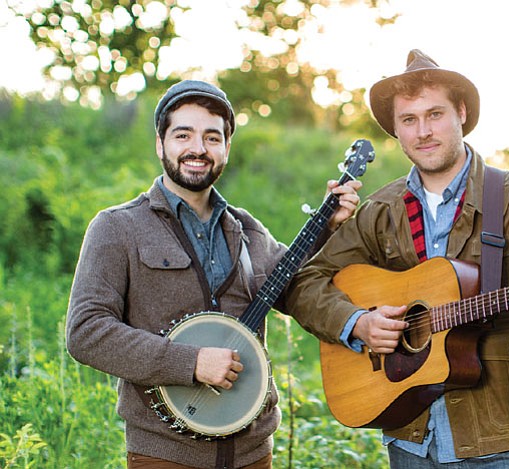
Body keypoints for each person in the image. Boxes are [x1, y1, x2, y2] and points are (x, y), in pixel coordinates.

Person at [285, 50, 509, 468]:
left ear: (462, 113)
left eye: (435, 114)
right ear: (395, 129)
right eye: (409, 120)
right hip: (409, 433)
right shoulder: (380, 210)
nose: (423, 131)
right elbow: (303, 282)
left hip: (502, 438)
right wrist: (357, 322)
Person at [65, 79, 361, 469]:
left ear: (226, 148)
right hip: (165, 455)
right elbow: (86, 332)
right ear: (160, 143)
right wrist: (189, 362)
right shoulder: (117, 228)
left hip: (253, 453)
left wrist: (328, 226)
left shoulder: (247, 230)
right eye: (183, 134)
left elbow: (295, 291)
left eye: (212, 137)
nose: (198, 149)